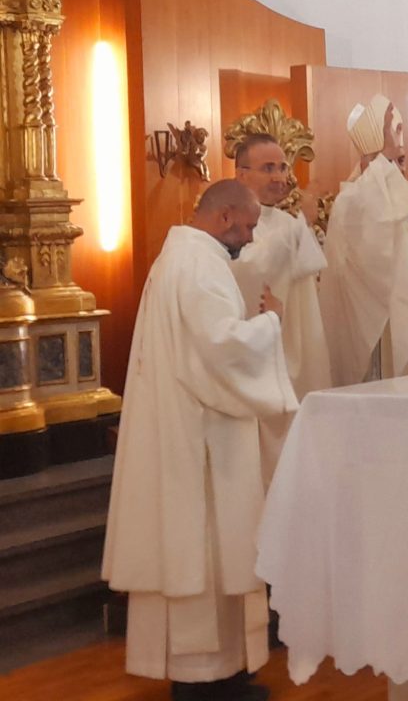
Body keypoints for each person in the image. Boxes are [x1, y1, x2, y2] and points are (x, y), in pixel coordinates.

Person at [102, 180, 298, 701]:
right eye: (248, 226)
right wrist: (272, 322)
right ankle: (206, 684)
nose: (251, 237)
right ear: (224, 216)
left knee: (205, 559)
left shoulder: (181, 259)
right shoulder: (198, 265)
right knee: (204, 557)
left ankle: (225, 675)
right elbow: (221, 347)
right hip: (201, 442)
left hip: (190, 431)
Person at [229, 133, 330, 488]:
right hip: (256, 357)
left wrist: (300, 227)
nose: (279, 176)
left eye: (283, 167)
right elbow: (248, 271)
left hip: (296, 347)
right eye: (268, 168)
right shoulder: (230, 222)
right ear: (241, 174)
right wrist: (302, 225)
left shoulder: (287, 224)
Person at [319, 95, 408, 386]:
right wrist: (384, 155)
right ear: (365, 164)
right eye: (387, 161)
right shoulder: (351, 200)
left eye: (401, 160)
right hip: (377, 329)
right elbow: (371, 252)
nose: (397, 169)